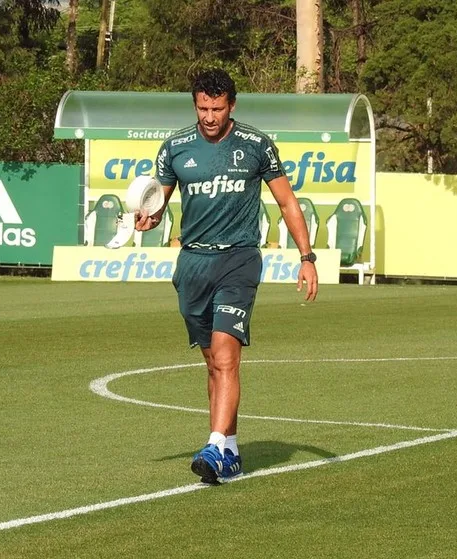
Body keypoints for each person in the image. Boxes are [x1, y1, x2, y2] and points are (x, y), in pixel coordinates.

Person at [135, 68, 319, 482]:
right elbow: (157, 205)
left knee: (225, 355)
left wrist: (307, 257)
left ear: (231, 105)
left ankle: (216, 445)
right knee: (213, 364)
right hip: (192, 265)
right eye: (203, 107)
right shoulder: (175, 148)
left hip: (238, 260)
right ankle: (229, 450)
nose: (209, 116)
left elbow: (288, 203)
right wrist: (147, 220)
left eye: (217, 108)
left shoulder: (255, 145)